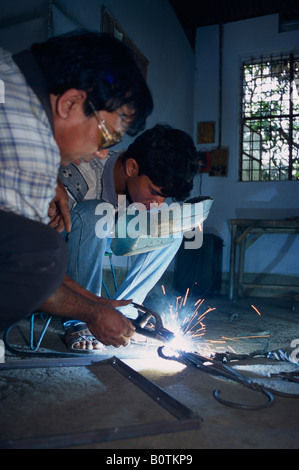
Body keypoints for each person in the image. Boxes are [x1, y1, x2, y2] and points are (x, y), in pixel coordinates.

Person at [0, 29, 153, 348]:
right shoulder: (33, 148)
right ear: (70, 103)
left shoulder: (8, 68)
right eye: (106, 136)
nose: (101, 152)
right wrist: (91, 314)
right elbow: (32, 262)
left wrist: (97, 303)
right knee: (46, 251)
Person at [58, 124, 199, 351]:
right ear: (132, 167)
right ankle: (82, 319)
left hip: (110, 234)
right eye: (154, 191)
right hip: (64, 241)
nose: (158, 203)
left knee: (172, 229)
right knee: (94, 213)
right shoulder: (79, 176)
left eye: (165, 196)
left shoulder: (144, 195)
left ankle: (125, 313)